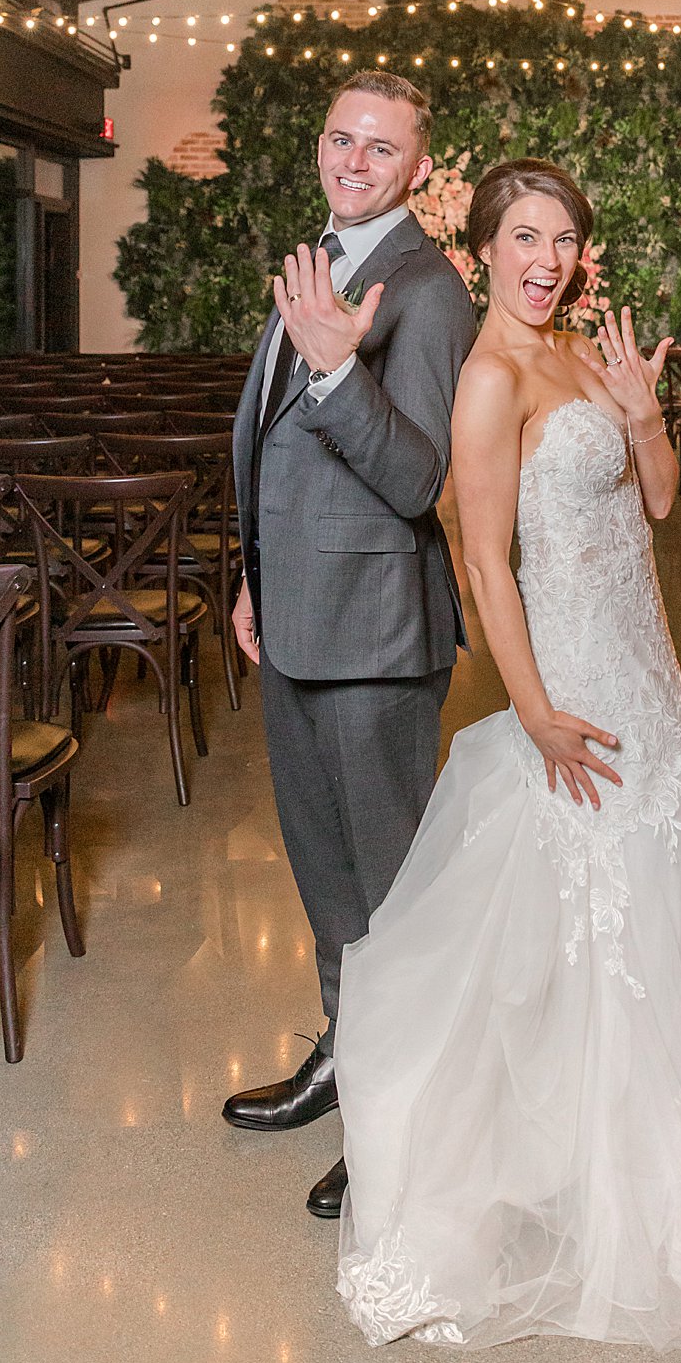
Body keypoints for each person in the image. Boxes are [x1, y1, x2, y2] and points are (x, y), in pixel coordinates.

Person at [334, 159, 681, 1349]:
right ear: (482, 251)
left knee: (669, 897)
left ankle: (668, 1143)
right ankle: (587, 1164)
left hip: (650, 673)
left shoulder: (575, 353)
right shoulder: (488, 377)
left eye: (563, 238)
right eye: (524, 236)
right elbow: (483, 565)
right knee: (587, 909)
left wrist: (644, 412)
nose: (547, 258)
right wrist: (530, 710)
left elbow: (658, 506)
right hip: (567, 682)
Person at [222, 71, 476, 1224]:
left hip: (376, 639)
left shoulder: (428, 290)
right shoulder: (317, 261)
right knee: (327, 885)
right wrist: (256, 576)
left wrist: (333, 365)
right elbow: (281, 451)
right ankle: (343, 1062)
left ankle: (402, 1126)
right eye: (340, 139)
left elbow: (419, 477)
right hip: (297, 622)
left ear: (418, 169)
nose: (355, 160)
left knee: (386, 902)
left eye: (382, 148)